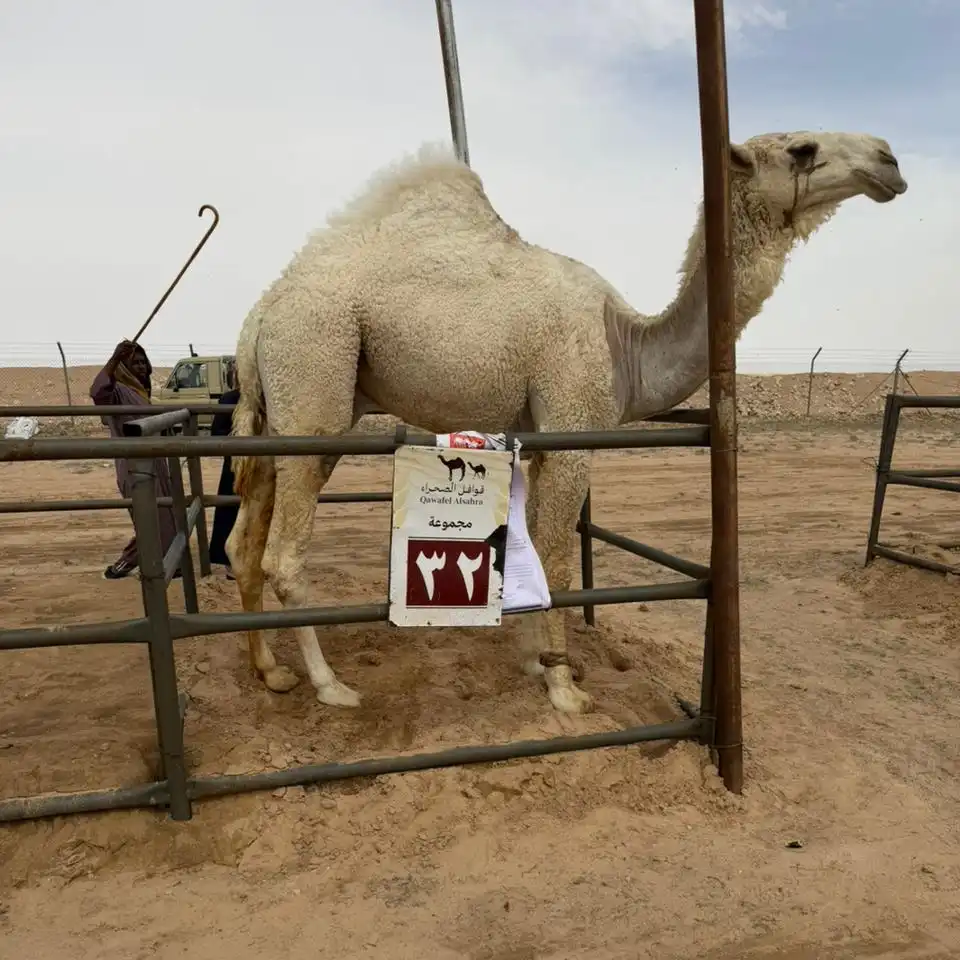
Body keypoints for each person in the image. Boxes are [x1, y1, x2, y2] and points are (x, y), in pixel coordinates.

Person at [90, 339, 180, 580]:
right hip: (133, 464)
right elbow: (98, 392)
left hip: (155, 462)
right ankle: (126, 563)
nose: (141, 367)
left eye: (143, 362)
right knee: (148, 517)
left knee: (165, 513)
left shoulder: (140, 392)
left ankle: (170, 561)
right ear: (124, 367)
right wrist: (115, 358)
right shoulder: (118, 391)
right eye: (135, 363)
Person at [207, 381, 241, 579]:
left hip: (264, 464)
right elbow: (217, 433)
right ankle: (229, 561)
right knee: (230, 509)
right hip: (236, 464)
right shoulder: (230, 398)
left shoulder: (267, 398)